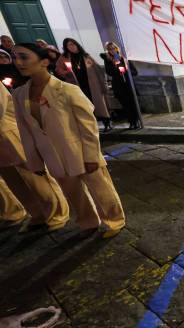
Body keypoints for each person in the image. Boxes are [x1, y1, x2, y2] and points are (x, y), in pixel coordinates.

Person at [12, 43, 125, 239]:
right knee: (73, 193)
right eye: (15, 58)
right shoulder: (19, 94)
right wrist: (35, 161)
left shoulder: (67, 90)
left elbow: (88, 126)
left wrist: (91, 155)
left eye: (24, 57)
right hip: (51, 155)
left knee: (100, 189)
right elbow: (25, 131)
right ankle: (87, 221)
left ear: (44, 62)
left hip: (79, 150)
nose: (18, 62)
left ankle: (114, 219)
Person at [0, 83, 69, 231]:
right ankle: (37, 213)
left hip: (7, 129)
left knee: (33, 174)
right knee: (12, 179)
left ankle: (57, 212)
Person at [55, 38, 112, 132]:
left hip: (92, 84)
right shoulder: (64, 57)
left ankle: (107, 123)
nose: (72, 46)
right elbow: (58, 70)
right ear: (66, 47)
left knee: (99, 104)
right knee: (85, 107)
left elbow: (98, 69)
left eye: (73, 44)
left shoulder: (86, 56)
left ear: (77, 44)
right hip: (77, 85)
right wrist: (66, 73)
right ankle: (93, 126)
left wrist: (103, 83)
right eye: (69, 45)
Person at [100, 42, 141, 129]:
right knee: (125, 105)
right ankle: (131, 122)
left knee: (133, 104)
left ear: (117, 48)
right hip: (119, 86)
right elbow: (109, 72)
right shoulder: (108, 60)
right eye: (110, 49)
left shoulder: (124, 58)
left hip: (129, 85)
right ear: (108, 51)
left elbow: (135, 72)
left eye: (113, 48)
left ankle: (136, 121)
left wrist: (125, 70)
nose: (112, 50)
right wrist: (116, 69)